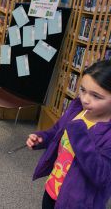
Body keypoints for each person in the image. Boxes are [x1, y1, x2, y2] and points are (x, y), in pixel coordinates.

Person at [27, 60, 111, 209]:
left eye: (96, 96)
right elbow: (57, 131)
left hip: (78, 202)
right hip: (54, 188)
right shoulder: (77, 109)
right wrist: (42, 138)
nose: (85, 99)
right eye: (83, 90)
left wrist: (80, 135)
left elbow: (103, 176)